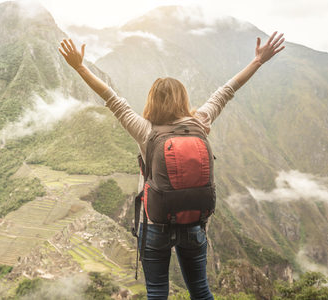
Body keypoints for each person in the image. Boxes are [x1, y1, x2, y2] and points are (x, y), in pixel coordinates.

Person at [59, 31, 285, 300]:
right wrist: (257, 61)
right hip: (194, 223)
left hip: (156, 224)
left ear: (151, 100)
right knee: (200, 291)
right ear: (183, 99)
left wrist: (80, 66)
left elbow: (111, 98)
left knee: (157, 293)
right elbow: (227, 90)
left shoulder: (145, 131)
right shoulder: (200, 122)